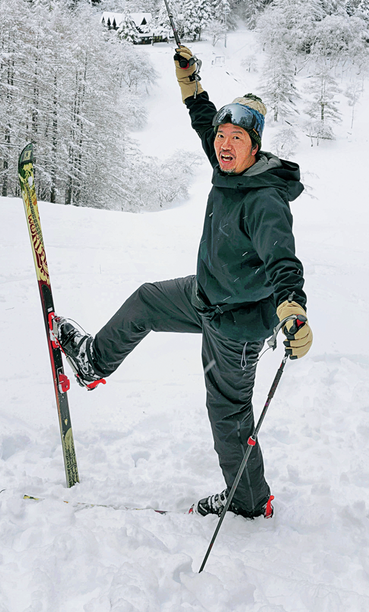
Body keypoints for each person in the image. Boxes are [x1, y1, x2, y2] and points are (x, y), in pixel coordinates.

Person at [51, 45, 311, 517]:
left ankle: (249, 501)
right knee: (148, 301)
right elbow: (204, 121)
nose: (224, 144)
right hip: (206, 294)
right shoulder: (227, 167)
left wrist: (293, 307)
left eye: (236, 138)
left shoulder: (266, 200)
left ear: (256, 146)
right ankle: (93, 362)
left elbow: (283, 261)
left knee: (229, 414)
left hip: (237, 327)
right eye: (223, 137)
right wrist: (192, 86)